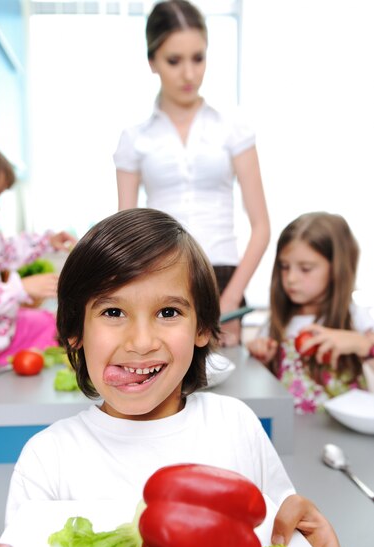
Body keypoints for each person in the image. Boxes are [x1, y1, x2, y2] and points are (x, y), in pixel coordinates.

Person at [0, 209, 343, 547]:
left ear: (203, 329)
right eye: (113, 311)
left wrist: (307, 531)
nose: (141, 342)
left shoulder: (236, 425)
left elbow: (281, 535)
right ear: (74, 332)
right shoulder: (48, 458)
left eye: (167, 312)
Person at [113, 0, 270, 347]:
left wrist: (229, 300)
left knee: (226, 390)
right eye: (174, 60)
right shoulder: (134, 139)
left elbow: (261, 227)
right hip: (160, 278)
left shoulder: (233, 130)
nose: (189, 74)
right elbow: (125, 232)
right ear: (152, 61)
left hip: (224, 278)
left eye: (198, 58)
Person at [0, 128, 76, 373]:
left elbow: (6, 249)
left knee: (49, 322)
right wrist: (21, 288)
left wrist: (46, 241)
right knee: (50, 327)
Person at [247, 212, 374, 414]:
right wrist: (262, 357)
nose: (290, 279)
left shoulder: (354, 316)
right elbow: (258, 384)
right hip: (291, 432)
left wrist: (362, 344)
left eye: (305, 269)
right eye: (284, 267)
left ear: (336, 269)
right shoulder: (276, 322)